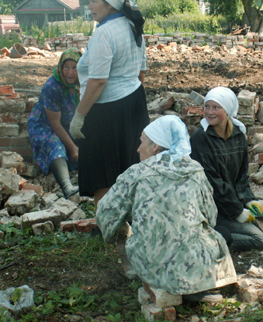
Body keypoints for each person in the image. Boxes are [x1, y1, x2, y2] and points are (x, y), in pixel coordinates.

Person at [96, 116, 237, 299]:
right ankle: (196, 283)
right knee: (222, 234)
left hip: (149, 262)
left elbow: (105, 214)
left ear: (155, 146)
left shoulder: (136, 173)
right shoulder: (195, 171)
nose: (138, 148)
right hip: (194, 260)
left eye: (142, 142)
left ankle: (158, 281)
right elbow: (210, 218)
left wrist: (122, 232)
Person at [69, 0, 149, 208]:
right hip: (133, 101)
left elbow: (98, 80)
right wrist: (134, 100)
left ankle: (106, 224)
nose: (90, 6)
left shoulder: (104, 33)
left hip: (106, 109)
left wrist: (80, 116)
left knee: (102, 167)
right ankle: (130, 218)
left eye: (94, 1)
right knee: (129, 161)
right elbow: (140, 71)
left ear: (110, 3)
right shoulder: (133, 27)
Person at [190, 87, 263, 252]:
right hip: (211, 208)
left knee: (258, 229)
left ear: (228, 110)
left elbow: (241, 176)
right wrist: (238, 211)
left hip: (230, 204)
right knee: (258, 239)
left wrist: (249, 199)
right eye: (207, 107)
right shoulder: (200, 138)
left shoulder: (238, 135)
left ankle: (217, 235)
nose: (209, 112)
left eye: (216, 107)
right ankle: (208, 241)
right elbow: (212, 182)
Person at [27, 48, 82, 199]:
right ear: (60, 67)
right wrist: (73, 148)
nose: (70, 73)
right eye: (66, 68)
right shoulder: (52, 86)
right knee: (55, 144)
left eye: (75, 68)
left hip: (68, 124)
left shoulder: (83, 82)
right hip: (44, 125)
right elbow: (54, 124)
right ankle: (67, 186)